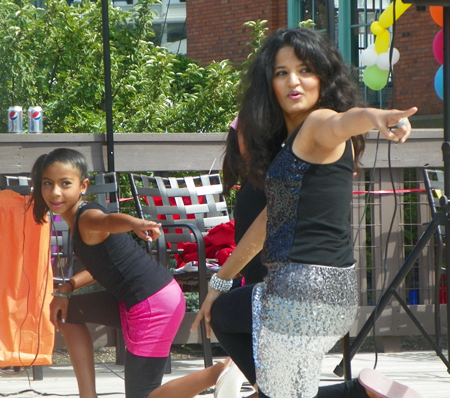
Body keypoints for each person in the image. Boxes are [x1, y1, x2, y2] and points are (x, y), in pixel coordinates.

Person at [191, 27, 418, 398]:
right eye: (282, 72)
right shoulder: (290, 145)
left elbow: (344, 121)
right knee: (230, 320)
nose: (293, 82)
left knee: (268, 375)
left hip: (304, 292)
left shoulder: (318, 124)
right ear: (270, 83)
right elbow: (268, 221)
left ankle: (354, 394)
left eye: (305, 70)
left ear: (323, 78)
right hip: (313, 290)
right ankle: (355, 392)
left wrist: (380, 117)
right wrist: (221, 282)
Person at [28, 148, 186, 398]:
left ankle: (217, 373)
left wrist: (134, 223)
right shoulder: (78, 220)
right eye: (48, 183)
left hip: (154, 304)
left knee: (143, 395)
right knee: (69, 313)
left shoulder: (87, 218)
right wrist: (66, 288)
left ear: (83, 186)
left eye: (65, 183)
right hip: (140, 299)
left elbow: (107, 221)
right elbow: (99, 265)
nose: (55, 192)